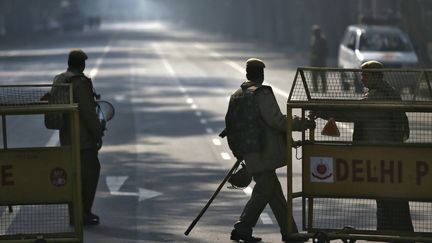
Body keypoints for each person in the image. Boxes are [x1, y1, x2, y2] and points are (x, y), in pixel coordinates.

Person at [311, 60, 413, 232]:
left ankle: (398, 234)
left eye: (365, 75)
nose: (361, 79)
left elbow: (353, 111)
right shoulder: (385, 92)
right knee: (387, 196)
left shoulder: (378, 96)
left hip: (383, 153)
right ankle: (389, 233)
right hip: (387, 153)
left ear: (374, 75)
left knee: (390, 197)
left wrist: (323, 111)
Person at [225, 58, 299, 242]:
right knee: (264, 191)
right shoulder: (261, 93)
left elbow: (230, 125)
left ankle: (291, 233)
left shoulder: (237, 95)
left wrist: (238, 151)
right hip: (263, 151)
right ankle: (242, 228)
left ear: (247, 73)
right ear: (262, 74)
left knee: (275, 194)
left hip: (248, 151)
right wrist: (300, 123)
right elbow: (277, 121)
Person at [52, 49, 104, 225]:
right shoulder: (80, 82)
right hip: (83, 141)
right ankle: (85, 213)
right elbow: (88, 113)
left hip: (66, 139)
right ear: (82, 64)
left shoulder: (60, 79)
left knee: (72, 178)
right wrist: (97, 133)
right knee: (90, 173)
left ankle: (75, 215)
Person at [309, 25, 328, 92]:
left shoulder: (322, 40)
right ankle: (315, 88)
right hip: (314, 62)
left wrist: (321, 58)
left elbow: (325, 50)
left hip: (321, 61)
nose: (315, 33)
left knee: (322, 75)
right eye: (314, 32)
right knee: (314, 76)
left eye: (316, 32)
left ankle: (324, 89)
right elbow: (312, 50)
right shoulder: (313, 39)